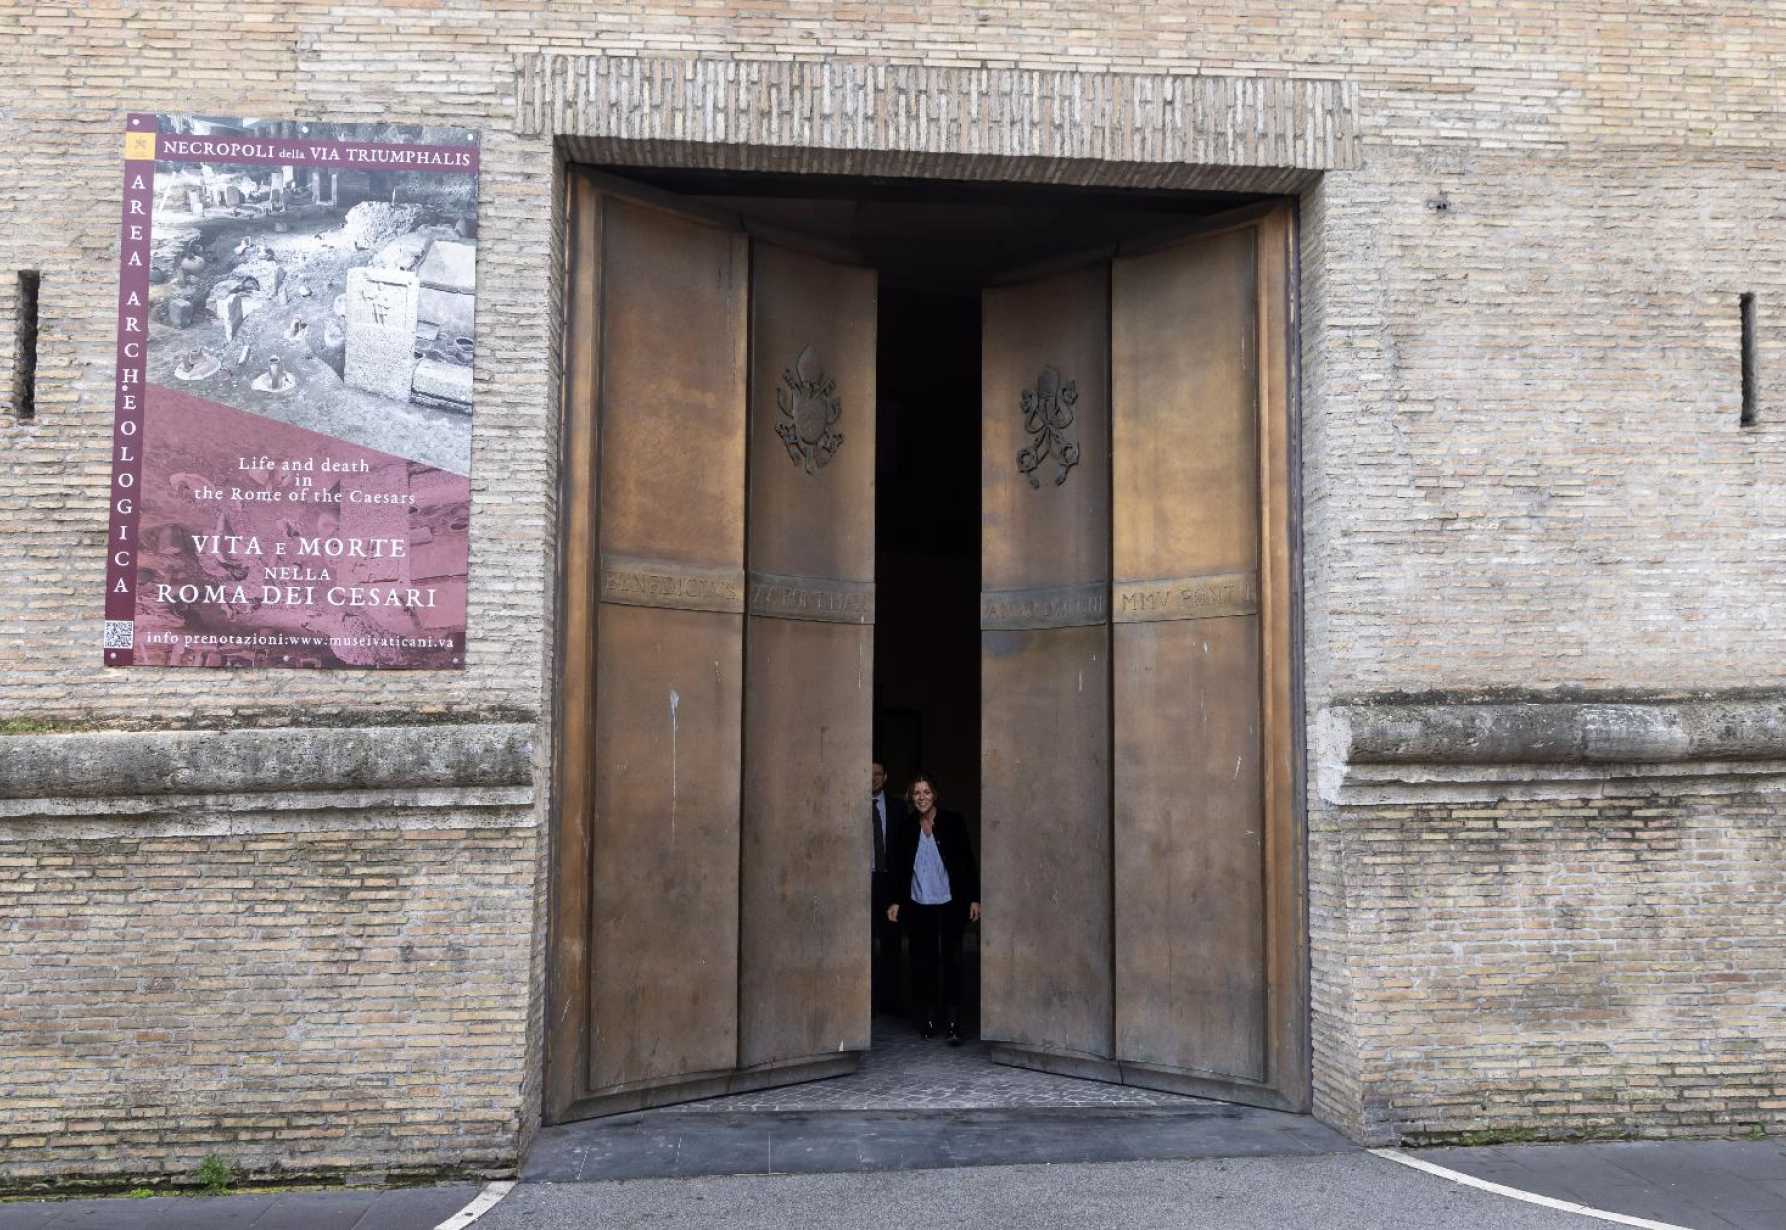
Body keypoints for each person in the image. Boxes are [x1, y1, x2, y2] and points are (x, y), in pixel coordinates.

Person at [885, 773, 980, 1045]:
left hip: (950, 902)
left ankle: (953, 1021)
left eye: (926, 792)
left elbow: (967, 862)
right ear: (910, 797)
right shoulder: (905, 828)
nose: (921, 797)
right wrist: (894, 901)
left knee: (952, 960)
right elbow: (898, 869)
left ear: (935, 795)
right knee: (922, 962)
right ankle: (926, 1017)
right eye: (916, 793)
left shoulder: (952, 822)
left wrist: (974, 897)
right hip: (918, 903)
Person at [869, 761, 910, 1015]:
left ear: (885, 777)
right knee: (863, 942)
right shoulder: (850, 803)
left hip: (889, 881)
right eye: (868, 774)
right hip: (862, 880)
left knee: (891, 941)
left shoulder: (897, 807)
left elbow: (904, 847)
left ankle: (890, 1001)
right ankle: (866, 1003)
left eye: (877, 774)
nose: (873, 778)